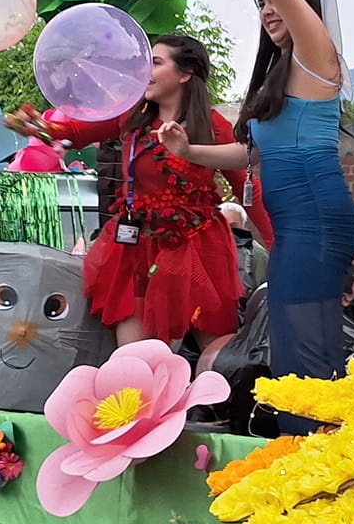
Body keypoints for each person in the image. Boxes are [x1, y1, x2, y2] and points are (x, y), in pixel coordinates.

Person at [161, 0, 354, 381]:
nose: (268, 11)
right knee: (295, 347)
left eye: (275, 1)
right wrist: (189, 151)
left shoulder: (316, 55)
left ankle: (317, 437)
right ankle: (313, 436)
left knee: (305, 355)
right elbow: (252, 153)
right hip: (296, 226)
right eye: (262, 4)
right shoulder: (282, 72)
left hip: (317, 221)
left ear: (301, 3)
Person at [14, 33, 247, 347]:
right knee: (134, 359)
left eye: (155, 62)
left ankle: (212, 397)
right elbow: (74, 133)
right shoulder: (130, 115)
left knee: (216, 358)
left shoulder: (214, 125)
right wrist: (41, 128)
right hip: (134, 246)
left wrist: (278, 244)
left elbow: (247, 186)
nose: (143, 70)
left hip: (195, 250)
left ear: (184, 74)